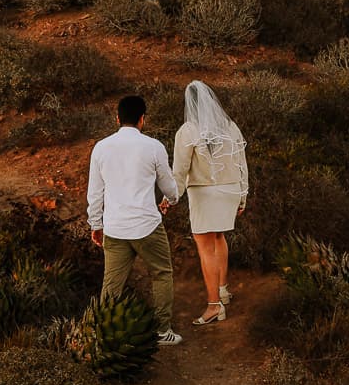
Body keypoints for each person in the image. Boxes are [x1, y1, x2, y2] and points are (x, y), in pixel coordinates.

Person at [88, 94, 183, 346]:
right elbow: (168, 186)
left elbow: (95, 192)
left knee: (112, 283)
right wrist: (171, 199)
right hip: (147, 226)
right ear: (143, 119)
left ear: (117, 118)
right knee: (161, 274)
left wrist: (95, 224)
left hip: (115, 228)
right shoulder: (153, 147)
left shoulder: (101, 148)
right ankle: (162, 331)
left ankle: (103, 334)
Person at [172, 80, 248, 326]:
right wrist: (243, 195)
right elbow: (242, 163)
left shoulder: (188, 131)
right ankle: (223, 290)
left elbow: (180, 169)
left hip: (205, 193)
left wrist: (172, 197)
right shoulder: (230, 127)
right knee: (218, 237)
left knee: (205, 247)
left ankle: (214, 306)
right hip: (230, 190)